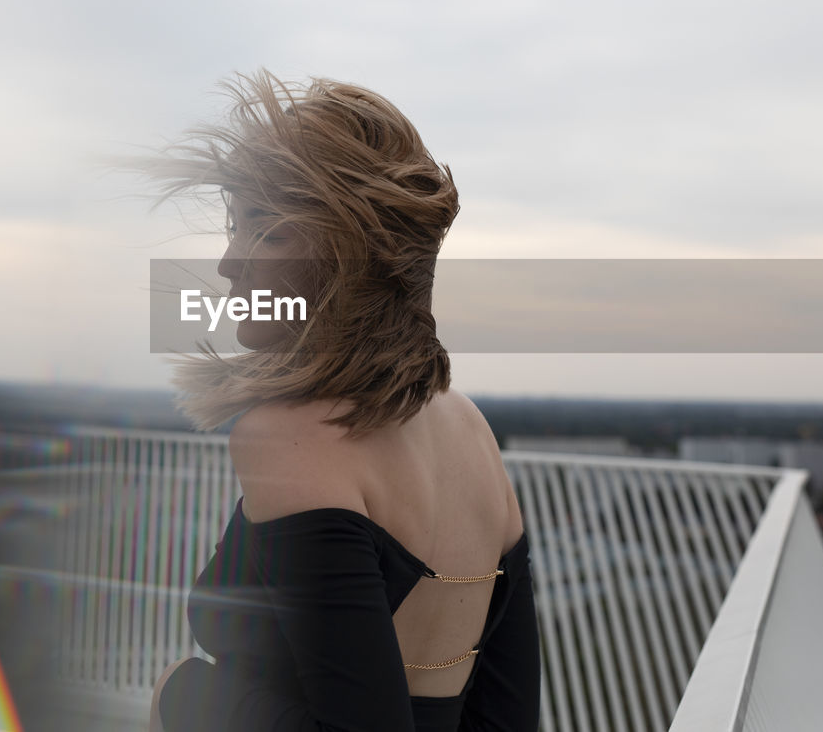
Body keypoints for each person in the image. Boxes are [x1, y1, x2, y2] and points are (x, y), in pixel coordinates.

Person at [143, 71, 539, 731]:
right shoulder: (470, 427)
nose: (228, 263)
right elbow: (507, 714)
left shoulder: (291, 436)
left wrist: (181, 696)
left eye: (266, 230)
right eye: (236, 225)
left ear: (350, 254)